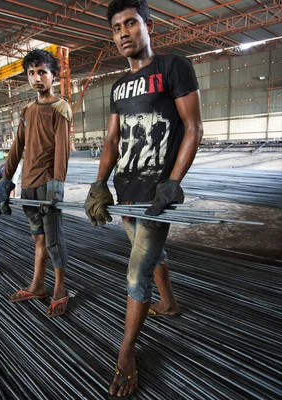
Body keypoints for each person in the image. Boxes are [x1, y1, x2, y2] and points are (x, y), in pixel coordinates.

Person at [84, 0, 203, 398]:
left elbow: (193, 127)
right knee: (145, 250)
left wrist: (173, 181)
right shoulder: (119, 87)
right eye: (116, 27)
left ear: (148, 26)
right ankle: (168, 303)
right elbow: (113, 140)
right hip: (126, 192)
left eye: (131, 23)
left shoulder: (173, 67)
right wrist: (100, 183)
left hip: (158, 195)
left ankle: (127, 351)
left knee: (137, 273)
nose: (123, 33)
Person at [0, 49, 72, 318]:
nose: (37, 78)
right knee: (38, 238)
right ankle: (38, 285)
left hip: (47, 186)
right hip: (28, 185)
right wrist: (6, 181)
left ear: (53, 76)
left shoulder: (60, 108)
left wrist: (58, 184)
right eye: (31, 73)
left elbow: (62, 149)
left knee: (54, 242)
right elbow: (17, 147)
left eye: (42, 72)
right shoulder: (26, 110)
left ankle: (60, 289)